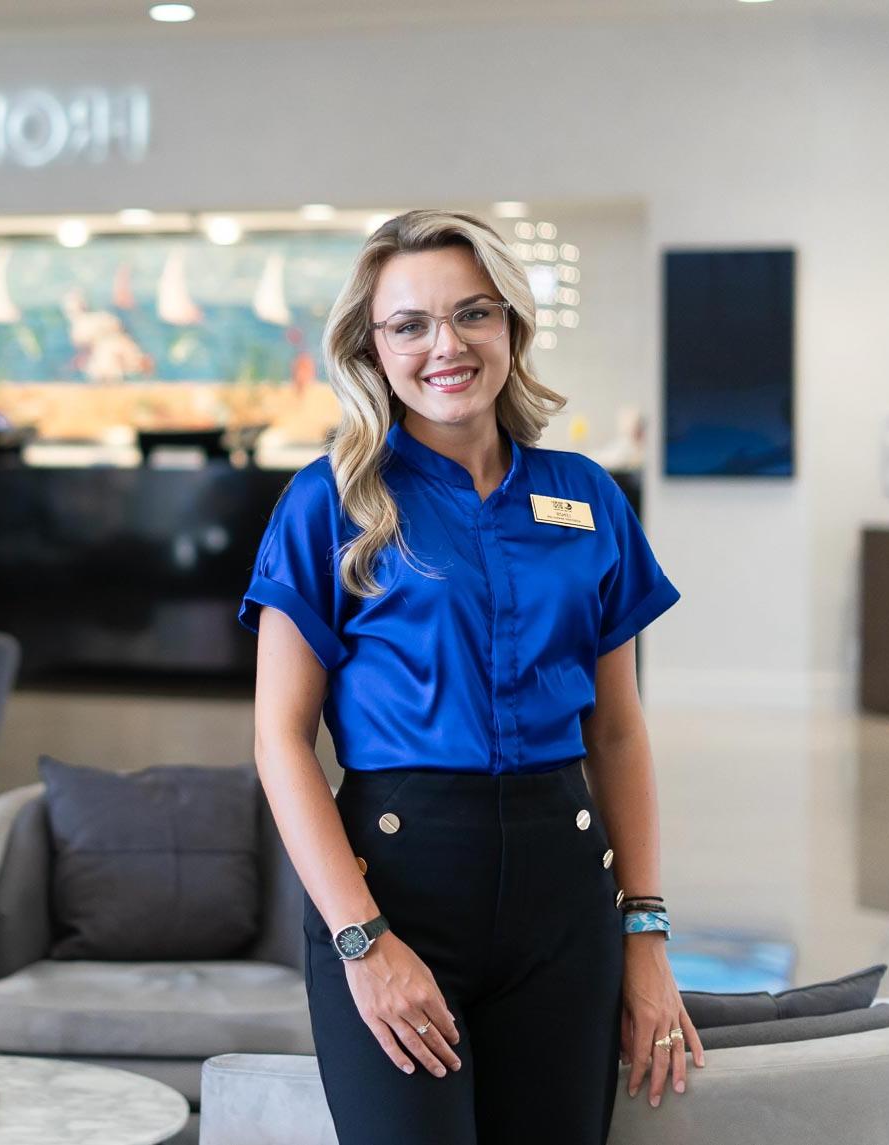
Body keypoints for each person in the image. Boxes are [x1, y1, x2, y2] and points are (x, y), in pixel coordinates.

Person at [240, 210, 699, 1145]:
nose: (444, 346)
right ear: (373, 348)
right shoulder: (328, 500)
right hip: (397, 891)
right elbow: (279, 739)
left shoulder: (588, 496)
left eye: (472, 314)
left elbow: (616, 732)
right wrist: (361, 942)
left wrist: (645, 934)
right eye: (410, 324)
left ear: (512, 327)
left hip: (564, 902)